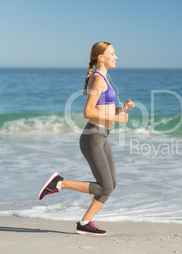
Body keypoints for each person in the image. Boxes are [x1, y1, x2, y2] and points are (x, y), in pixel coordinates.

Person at [38, 42, 135, 235]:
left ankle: (85, 223)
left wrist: (121, 109)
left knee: (110, 185)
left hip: (101, 137)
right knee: (105, 186)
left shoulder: (103, 78)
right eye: (112, 54)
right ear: (101, 57)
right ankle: (59, 183)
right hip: (93, 137)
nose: (116, 57)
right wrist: (117, 117)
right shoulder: (98, 79)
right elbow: (89, 112)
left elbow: (102, 111)